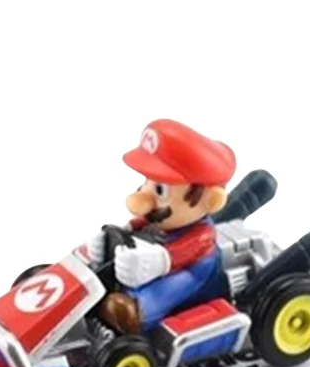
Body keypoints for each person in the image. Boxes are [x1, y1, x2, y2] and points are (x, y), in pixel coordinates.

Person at [74, 119, 237, 333]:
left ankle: (135, 313)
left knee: (163, 292)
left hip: (193, 272)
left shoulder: (202, 235)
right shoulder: (160, 220)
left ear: (211, 201)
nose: (142, 199)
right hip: (154, 256)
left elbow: (181, 253)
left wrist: (154, 262)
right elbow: (139, 224)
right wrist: (111, 238)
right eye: (146, 183)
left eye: (160, 190)